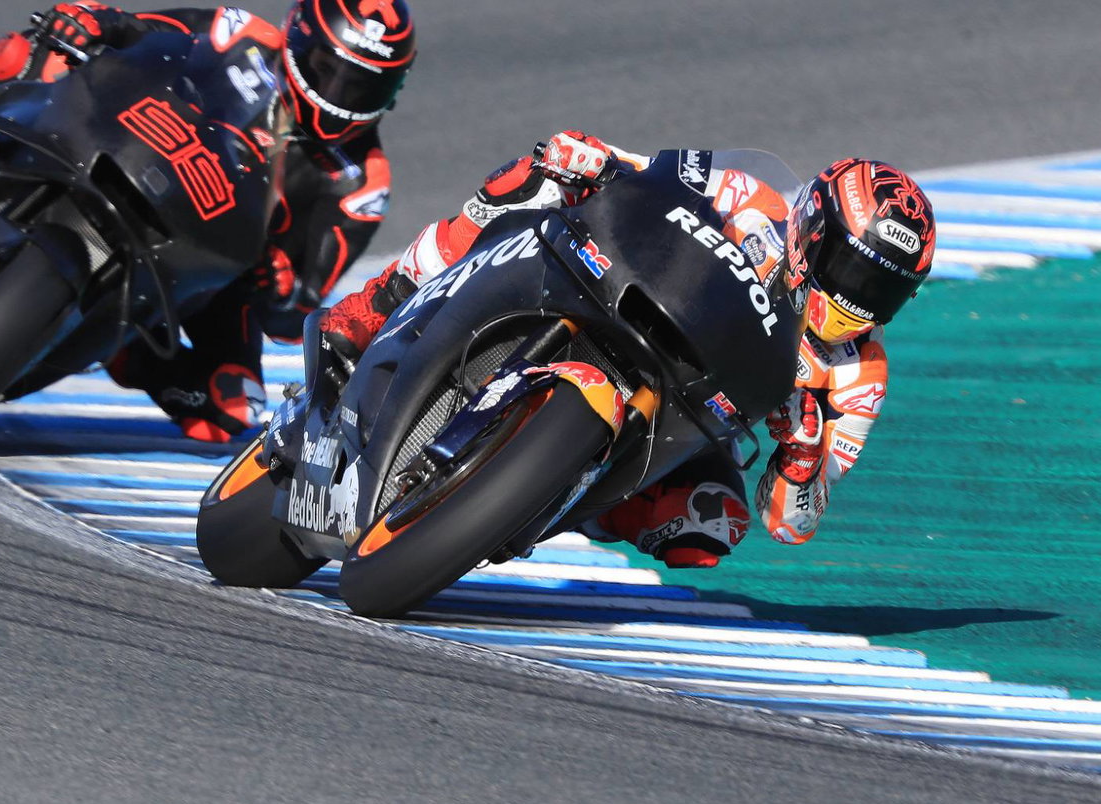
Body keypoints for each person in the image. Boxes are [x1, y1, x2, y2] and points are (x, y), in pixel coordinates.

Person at [318, 131, 936, 567]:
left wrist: (802, 453)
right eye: (850, 270)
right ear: (813, 227)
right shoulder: (753, 201)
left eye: (880, 290)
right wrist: (595, 158)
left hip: (689, 411)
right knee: (531, 176)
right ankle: (381, 301)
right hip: (622, 292)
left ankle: (555, 496)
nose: (857, 299)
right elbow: (650, 173)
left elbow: (791, 524)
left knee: (713, 522)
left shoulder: (860, 376)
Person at [0, 2, 415, 442]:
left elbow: (299, 310)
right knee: (27, 55)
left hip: (206, 261)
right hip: (120, 146)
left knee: (231, 408)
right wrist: (96, 22)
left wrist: (280, 285)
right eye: (329, 71)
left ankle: (123, 347)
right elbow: (143, 30)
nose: (343, 97)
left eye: (368, 86)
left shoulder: (362, 184)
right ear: (298, 40)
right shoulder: (235, 33)